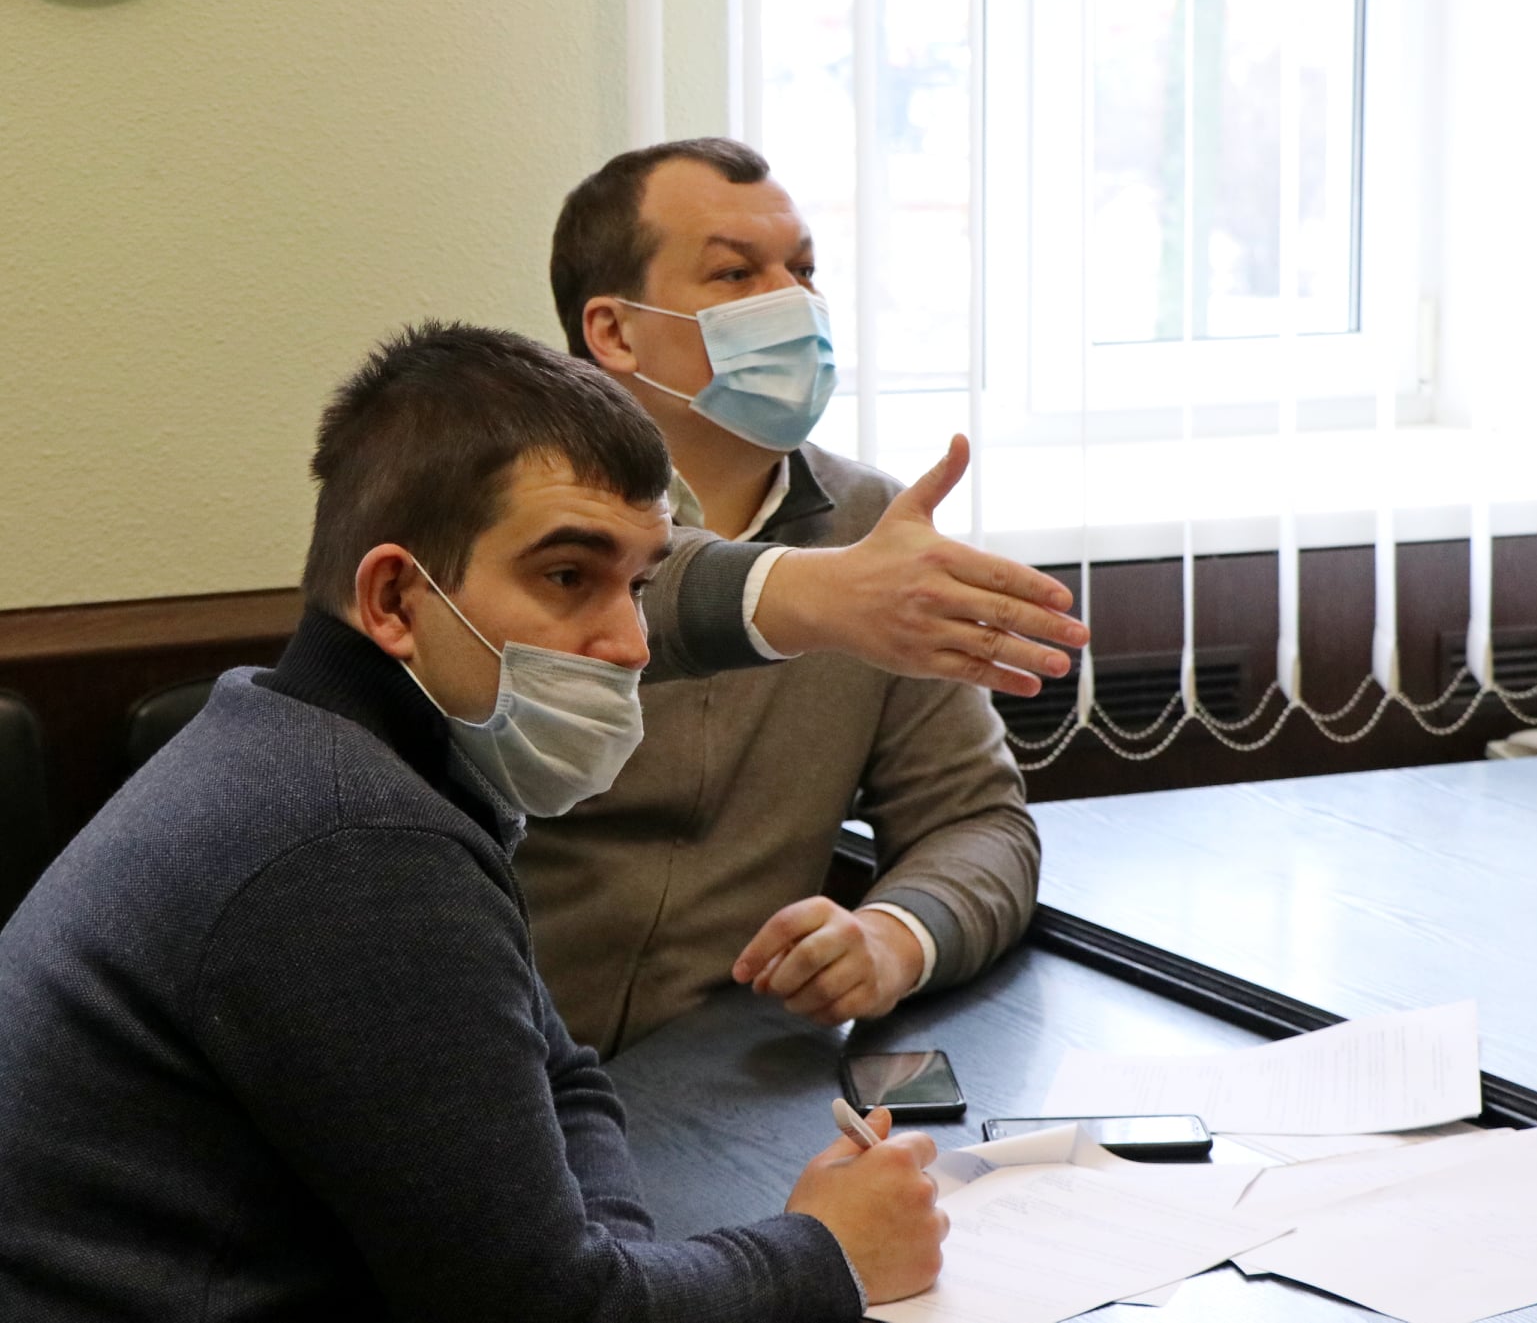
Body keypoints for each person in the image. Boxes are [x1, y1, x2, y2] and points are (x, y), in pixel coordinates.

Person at [0, 321, 1107, 1318]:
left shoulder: (309, 741)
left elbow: (564, 1076)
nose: (630, 644)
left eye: (640, 583)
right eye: (569, 575)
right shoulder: (351, 847)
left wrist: (601, 1253)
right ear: (393, 599)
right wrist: (830, 1255)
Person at [522, 137, 1041, 1053]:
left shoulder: (869, 525)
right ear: (613, 332)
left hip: (732, 1068)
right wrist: (812, 592)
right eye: (736, 274)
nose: (794, 303)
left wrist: (894, 937)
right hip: (500, 1062)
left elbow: (976, 819)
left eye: (802, 270)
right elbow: (654, 587)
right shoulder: (506, 503)